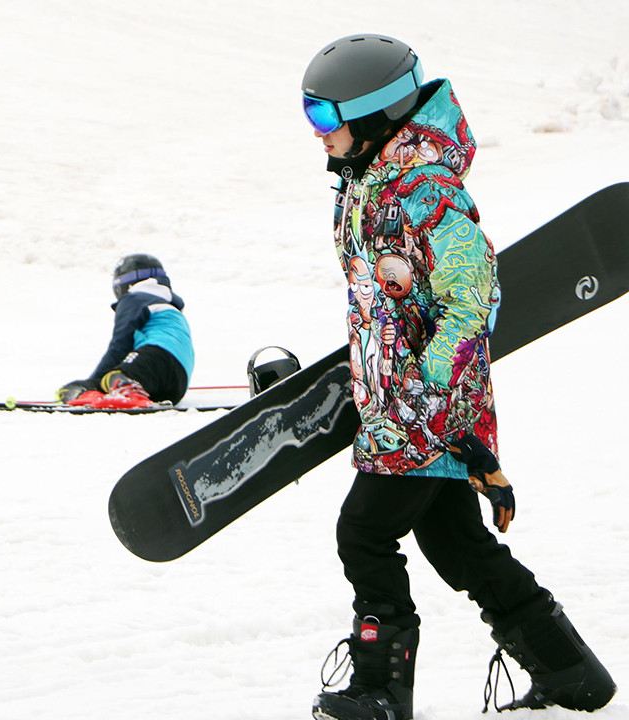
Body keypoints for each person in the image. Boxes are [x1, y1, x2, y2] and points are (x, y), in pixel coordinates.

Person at [300, 34, 615, 719]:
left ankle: (381, 691)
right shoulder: (368, 183)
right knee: (458, 548)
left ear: (376, 113)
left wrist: (429, 403)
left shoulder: (427, 192)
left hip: (424, 408)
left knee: (364, 532)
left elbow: (472, 302)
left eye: (324, 115)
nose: (316, 130)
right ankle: (571, 674)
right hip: (405, 405)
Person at [56, 254, 194, 409]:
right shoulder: (169, 307)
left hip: (155, 356)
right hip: (176, 387)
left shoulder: (135, 298)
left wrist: (94, 382)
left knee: (99, 381)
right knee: (113, 378)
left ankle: (99, 396)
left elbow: (121, 343)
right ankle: (130, 393)